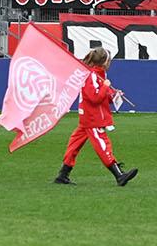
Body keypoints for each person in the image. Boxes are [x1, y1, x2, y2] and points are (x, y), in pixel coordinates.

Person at [54, 47, 138, 187]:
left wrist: (114, 94)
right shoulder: (92, 76)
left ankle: (63, 174)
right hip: (93, 118)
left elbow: (102, 96)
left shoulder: (99, 75)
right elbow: (94, 97)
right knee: (103, 145)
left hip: (88, 117)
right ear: (104, 62)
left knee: (74, 145)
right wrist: (106, 87)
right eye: (109, 60)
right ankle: (119, 175)